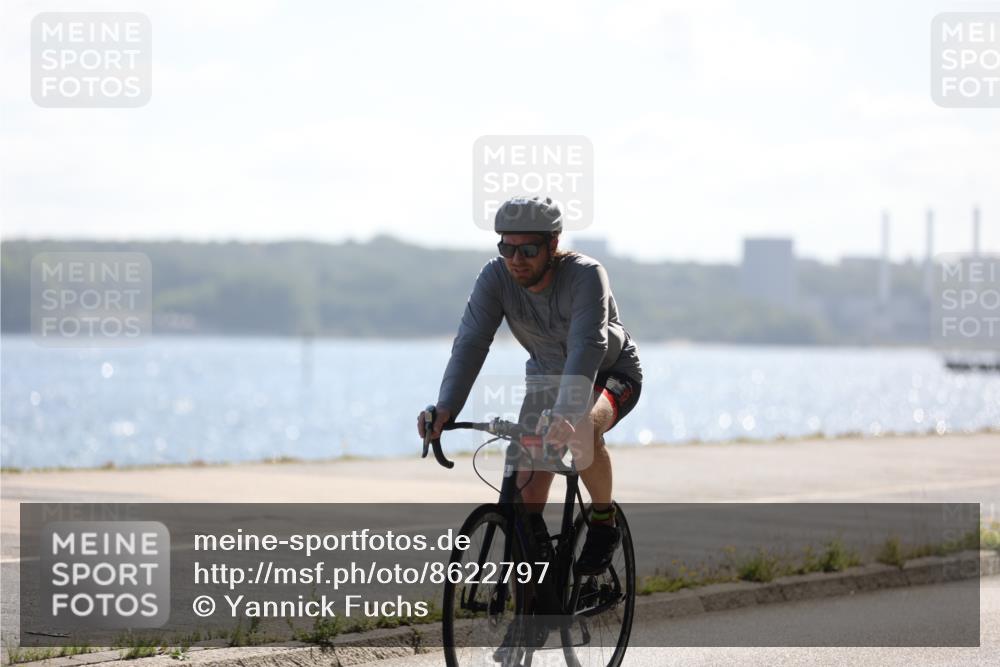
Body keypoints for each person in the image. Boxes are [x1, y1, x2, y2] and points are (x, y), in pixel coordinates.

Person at [417, 195, 642, 575]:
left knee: (583, 432)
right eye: (507, 247)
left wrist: (568, 414)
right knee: (525, 497)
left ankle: (603, 523)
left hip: (608, 373)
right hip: (546, 381)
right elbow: (471, 342)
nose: (516, 259)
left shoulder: (587, 275)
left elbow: (588, 346)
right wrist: (446, 408)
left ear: (553, 244)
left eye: (529, 249)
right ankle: (534, 594)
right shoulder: (496, 277)